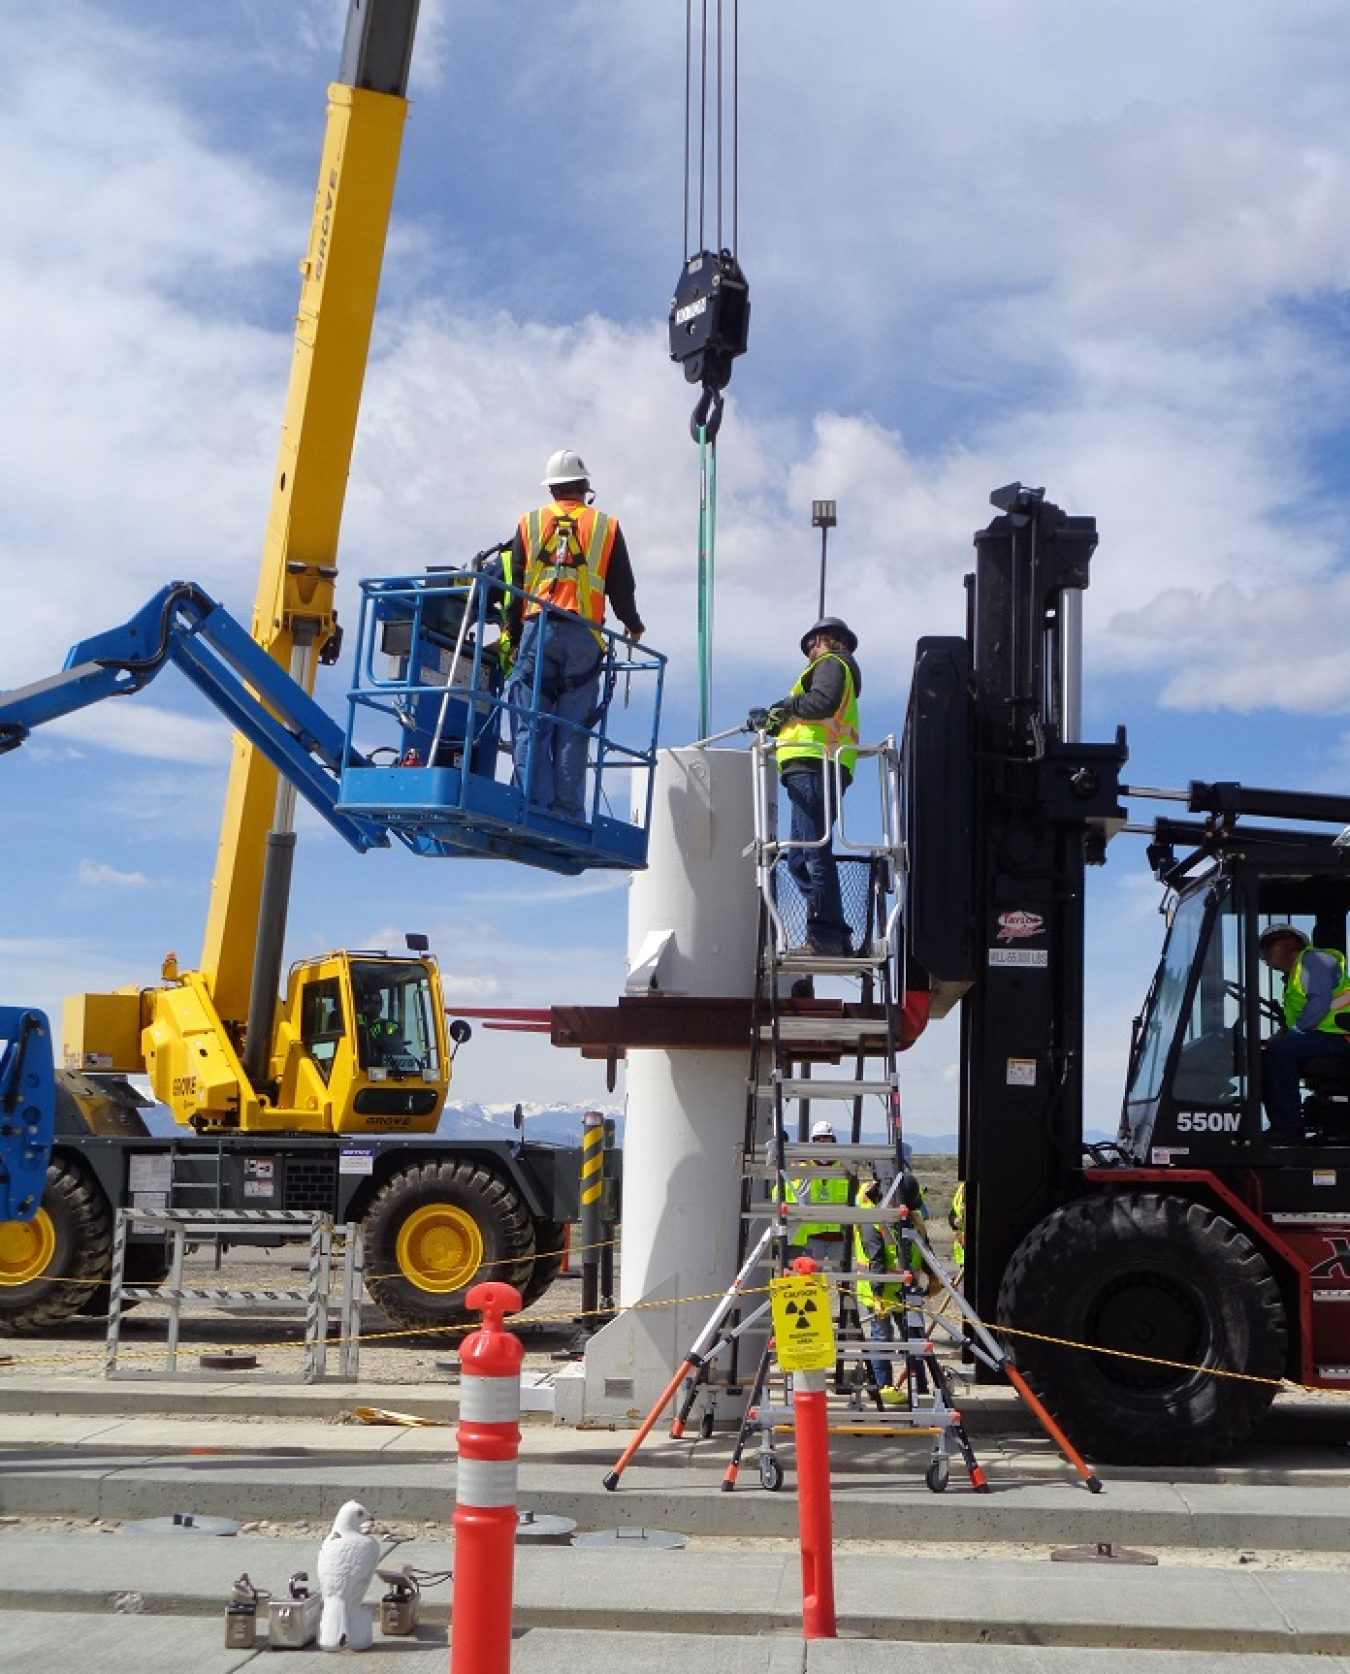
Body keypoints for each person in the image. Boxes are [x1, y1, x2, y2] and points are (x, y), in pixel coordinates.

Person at [506, 450, 643, 823]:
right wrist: (634, 625)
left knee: (530, 721)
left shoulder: (529, 522)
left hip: (538, 630)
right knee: (572, 728)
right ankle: (566, 810)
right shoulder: (606, 525)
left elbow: (514, 586)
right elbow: (621, 588)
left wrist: (512, 634)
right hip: (584, 635)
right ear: (585, 487)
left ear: (551, 489)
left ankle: (532, 803)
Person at [749, 617, 861, 956]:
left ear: (824, 640)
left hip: (815, 765)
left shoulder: (831, 664)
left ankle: (825, 937)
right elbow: (809, 713)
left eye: (812, 644)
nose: (809, 652)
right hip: (813, 766)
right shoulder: (833, 668)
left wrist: (782, 707)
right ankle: (836, 932)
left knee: (813, 853)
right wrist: (774, 720)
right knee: (799, 857)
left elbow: (821, 703)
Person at [1259, 924, 1350, 1140]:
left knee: (1281, 1051)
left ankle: (1288, 1127)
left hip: (1341, 1037)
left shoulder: (1313, 961)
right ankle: (1280, 1124)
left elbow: (1319, 1002)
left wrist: (1292, 1035)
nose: (1264, 955)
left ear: (1291, 944)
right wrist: (1281, 1035)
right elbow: (1299, 1019)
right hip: (1325, 1035)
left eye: (1268, 946)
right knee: (1267, 1051)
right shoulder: (1294, 977)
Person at [784, 1117, 850, 1267]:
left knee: (842, 1280)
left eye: (826, 1138)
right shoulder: (803, 1167)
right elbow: (784, 1193)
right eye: (818, 1139)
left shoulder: (845, 1168)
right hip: (812, 1235)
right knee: (812, 1279)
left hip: (838, 1235)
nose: (822, 1142)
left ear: (833, 1141)